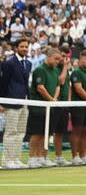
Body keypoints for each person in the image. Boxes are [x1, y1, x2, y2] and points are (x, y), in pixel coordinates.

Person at [26, 47, 62, 168]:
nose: (57, 61)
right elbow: (40, 88)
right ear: (48, 57)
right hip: (38, 107)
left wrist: (54, 99)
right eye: (56, 59)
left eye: (59, 59)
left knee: (46, 134)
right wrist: (51, 99)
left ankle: (43, 157)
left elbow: (58, 86)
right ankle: (32, 158)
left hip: (50, 107)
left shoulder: (56, 70)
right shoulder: (40, 70)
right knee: (37, 133)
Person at [0, 38, 32, 169]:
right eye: (22, 46)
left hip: (25, 100)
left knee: (21, 132)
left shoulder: (28, 63)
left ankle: (16, 158)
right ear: (16, 48)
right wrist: (1, 101)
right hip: (11, 101)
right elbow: (3, 83)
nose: (24, 48)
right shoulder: (9, 63)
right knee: (11, 132)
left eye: (26, 46)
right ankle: (7, 160)